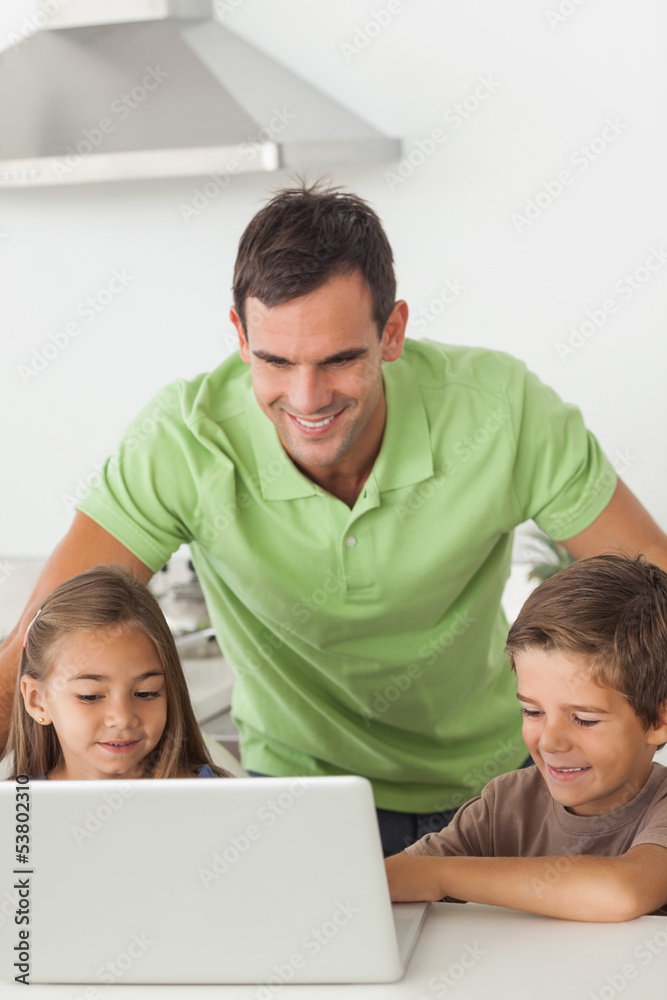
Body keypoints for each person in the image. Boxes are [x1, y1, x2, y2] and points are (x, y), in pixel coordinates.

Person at [1, 182, 667, 854]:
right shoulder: (183, 440)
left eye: (340, 359)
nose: (306, 398)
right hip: (300, 794)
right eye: (275, 361)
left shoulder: (500, 410)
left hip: (499, 784)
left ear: (392, 332)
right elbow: (37, 641)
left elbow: (655, 585)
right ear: (239, 336)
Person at [386, 554, 667, 920]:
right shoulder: (503, 805)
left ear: (659, 720)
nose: (550, 742)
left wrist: (439, 875)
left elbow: (622, 892)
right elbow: (388, 880)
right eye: (533, 712)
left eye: (583, 719)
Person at [2, 565, 229, 780]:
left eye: (146, 693)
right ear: (37, 700)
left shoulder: (219, 802)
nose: (122, 718)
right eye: (90, 696)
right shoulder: (14, 808)